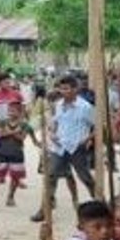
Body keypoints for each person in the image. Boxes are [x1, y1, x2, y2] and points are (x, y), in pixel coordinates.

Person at [32, 76, 96, 222]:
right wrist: (52, 133)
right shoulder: (59, 104)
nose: (63, 91)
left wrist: (87, 139)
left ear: (75, 89)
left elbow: (97, 126)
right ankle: (44, 209)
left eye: (67, 88)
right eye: (61, 88)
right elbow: (54, 123)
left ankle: (102, 204)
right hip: (59, 147)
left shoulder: (85, 107)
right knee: (50, 178)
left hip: (76, 148)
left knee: (85, 178)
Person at [0, 100, 30, 207]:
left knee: (15, 177)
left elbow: (21, 137)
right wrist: (14, 132)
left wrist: (8, 133)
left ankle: (10, 197)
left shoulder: (24, 124)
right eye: (9, 110)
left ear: (20, 113)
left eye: (14, 111)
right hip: (3, 152)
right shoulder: (4, 122)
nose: (11, 113)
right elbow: (0, 133)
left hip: (16, 153)